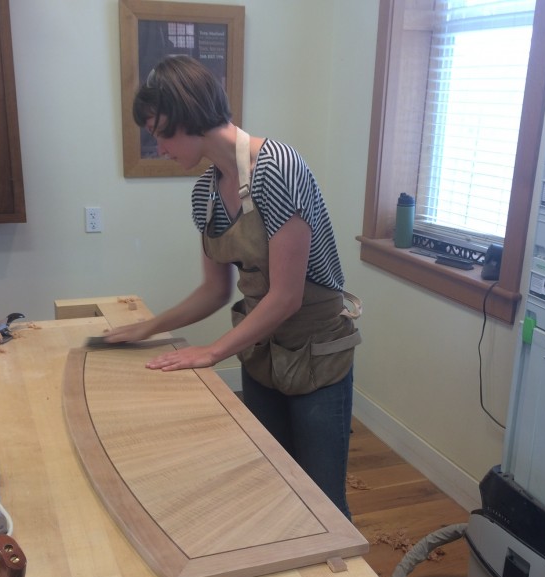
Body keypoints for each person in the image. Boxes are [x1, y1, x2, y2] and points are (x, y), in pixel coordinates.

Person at [103, 55, 361, 518]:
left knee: (322, 499)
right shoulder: (205, 192)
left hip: (316, 354)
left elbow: (287, 296)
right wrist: (150, 328)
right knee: (271, 482)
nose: (159, 147)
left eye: (161, 133)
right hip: (261, 352)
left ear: (187, 116)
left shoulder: (277, 168)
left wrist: (210, 352)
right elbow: (214, 291)